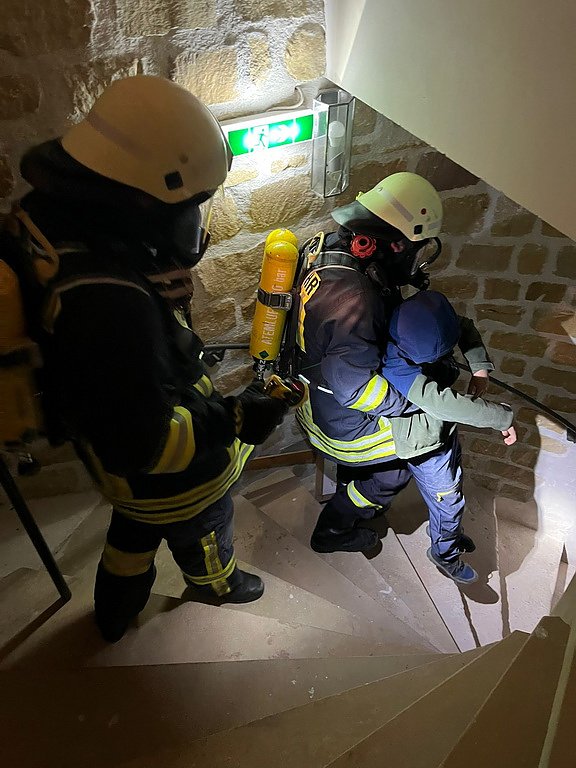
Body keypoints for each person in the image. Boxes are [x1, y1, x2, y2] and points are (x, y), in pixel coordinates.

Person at [11, 75, 288, 642]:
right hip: (173, 483)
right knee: (205, 532)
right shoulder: (110, 307)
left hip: (121, 482)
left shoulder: (51, 219)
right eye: (191, 204)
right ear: (145, 200)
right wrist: (238, 416)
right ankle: (216, 585)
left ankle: (115, 613)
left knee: (130, 540)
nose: (194, 220)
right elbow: (147, 446)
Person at [293, 172, 448, 554]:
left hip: (311, 397)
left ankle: (353, 482)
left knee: (386, 450)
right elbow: (356, 389)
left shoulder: (325, 246)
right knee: (406, 459)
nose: (417, 260)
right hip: (338, 422)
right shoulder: (356, 300)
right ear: (396, 244)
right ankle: (334, 528)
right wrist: (416, 401)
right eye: (416, 249)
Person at [382, 289, 517, 583]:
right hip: (424, 445)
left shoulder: (422, 318)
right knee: (449, 501)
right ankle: (444, 554)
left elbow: (462, 327)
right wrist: (501, 417)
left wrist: (479, 367)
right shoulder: (395, 364)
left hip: (442, 431)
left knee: (452, 485)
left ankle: (447, 532)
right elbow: (442, 404)